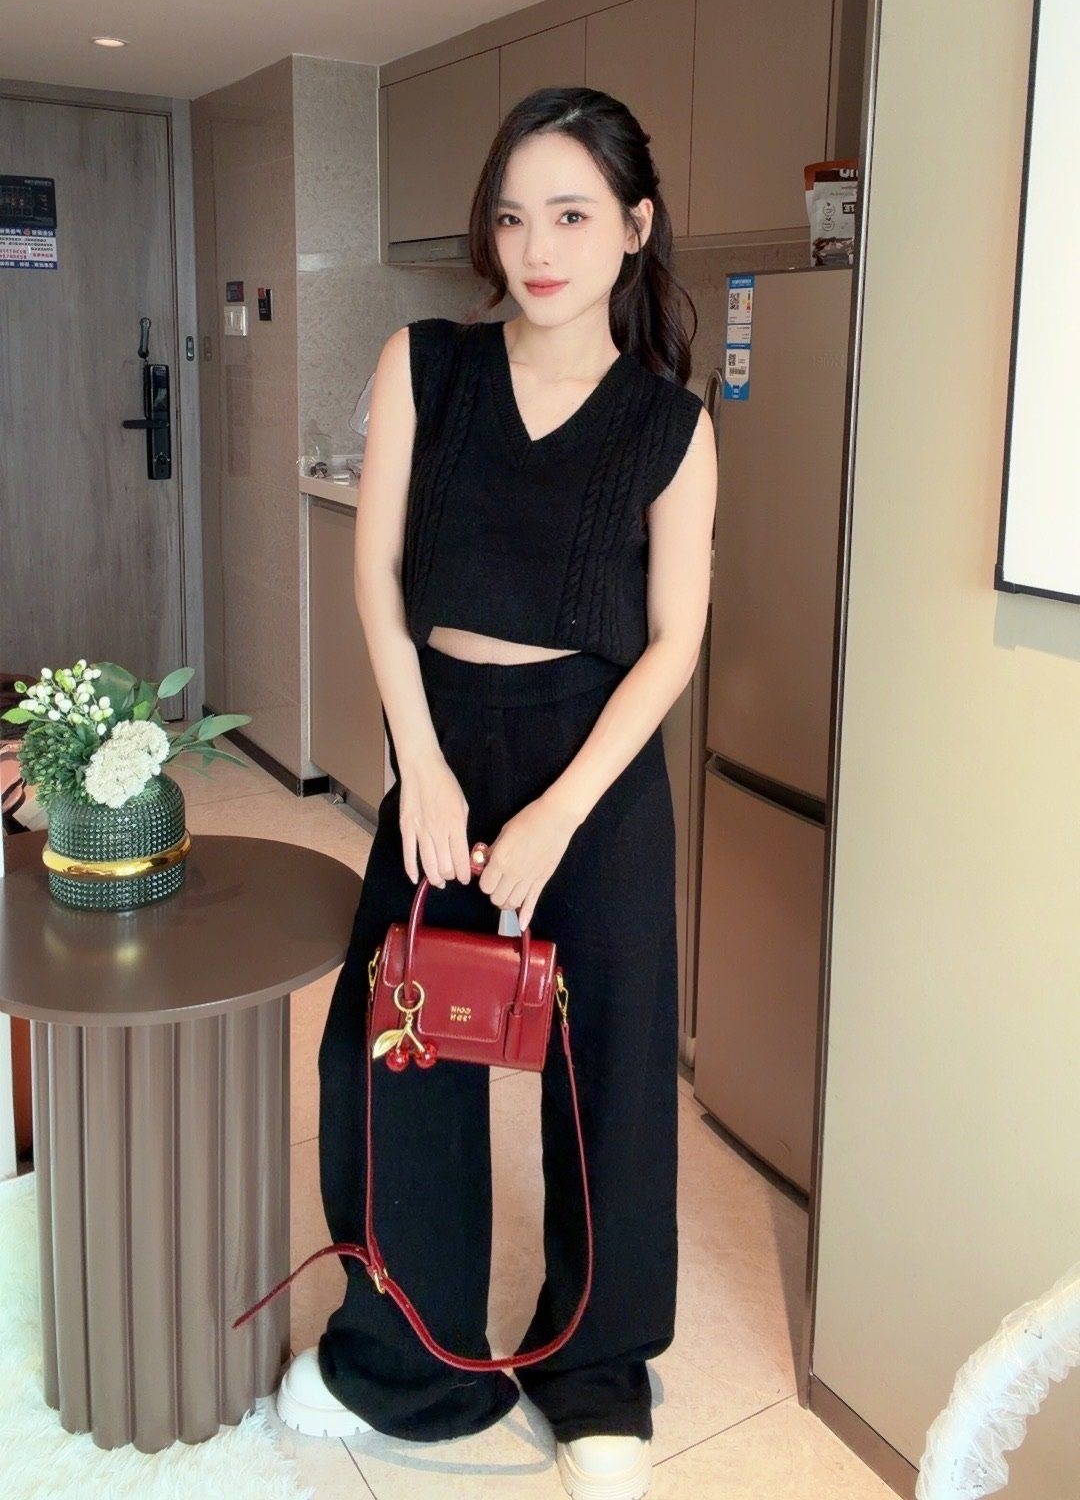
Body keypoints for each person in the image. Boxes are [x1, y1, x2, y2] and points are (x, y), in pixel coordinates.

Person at [276, 85, 717, 1500]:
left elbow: (674, 644)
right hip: (442, 738)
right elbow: (376, 571)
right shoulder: (428, 366)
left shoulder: (671, 425)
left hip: (594, 766)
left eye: (572, 215)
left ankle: (596, 1373)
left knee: (612, 1075)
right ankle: (406, 1361)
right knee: (395, 1047)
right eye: (515, 216)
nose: (537, 248)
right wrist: (418, 762)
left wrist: (555, 815)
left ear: (635, 229)